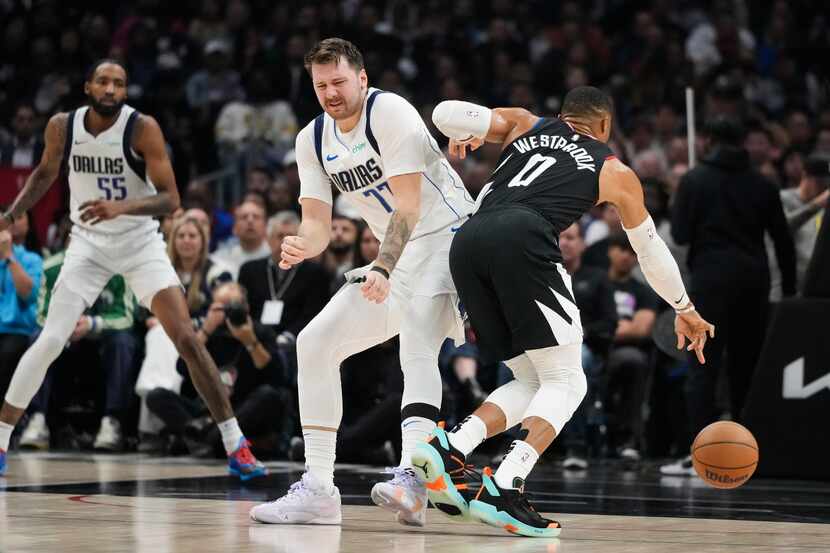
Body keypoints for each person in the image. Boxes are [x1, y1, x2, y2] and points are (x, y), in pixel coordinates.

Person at [414, 86, 714, 537]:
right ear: (606, 126)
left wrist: (464, 132)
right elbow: (649, 251)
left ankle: (453, 448)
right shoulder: (613, 169)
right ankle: (506, 483)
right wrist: (684, 308)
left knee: (532, 380)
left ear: (563, 114)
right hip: (523, 237)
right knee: (569, 381)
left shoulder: (525, 123)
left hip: (469, 242)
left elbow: (443, 111)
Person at [0, 59, 265, 480]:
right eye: (103, 81)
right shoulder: (61, 127)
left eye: (119, 83)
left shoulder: (142, 128)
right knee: (50, 338)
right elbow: (44, 174)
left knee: (187, 340)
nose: (110, 89)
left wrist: (120, 207)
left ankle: (237, 445)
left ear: (125, 92)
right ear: (88, 86)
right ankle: (1, 439)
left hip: (140, 243)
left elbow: (172, 199)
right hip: (87, 245)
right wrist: (11, 213)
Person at [249, 38, 471, 527]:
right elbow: (319, 227)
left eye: (339, 82)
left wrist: (384, 268)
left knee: (416, 338)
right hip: (396, 258)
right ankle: (319, 488)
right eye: (320, 84)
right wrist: (301, 244)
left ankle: (414, 477)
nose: (330, 92)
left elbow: (408, 207)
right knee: (315, 342)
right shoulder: (311, 138)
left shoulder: (389, 112)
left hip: (451, 241)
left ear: (362, 79)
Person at [662, 116, 795, 476]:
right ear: (745, 140)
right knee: (747, 370)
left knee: (702, 367)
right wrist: (792, 293)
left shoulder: (694, 179)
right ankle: (745, 453)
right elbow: (782, 242)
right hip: (754, 282)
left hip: (710, 282)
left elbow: (681, 233)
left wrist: (684, 199)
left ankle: (698, 453)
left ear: (706, 140)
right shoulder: (764, 184)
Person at [19, 244, 137, 451]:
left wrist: (92, 324)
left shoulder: (120, 268)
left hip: (102, 340)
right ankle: (37, 419)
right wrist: (66, 325)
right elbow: (41, 316)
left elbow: (126, 317)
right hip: (66, 340)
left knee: (124, 341)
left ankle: (112, 422)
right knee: (38, 337)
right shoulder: (52, 267)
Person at [238, 211, 329, 350]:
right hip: (255, 339)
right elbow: (245, 310)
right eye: (280, 236)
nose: (285, 242)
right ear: (268, 239)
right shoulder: (249, 270)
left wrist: (288, 337)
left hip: (296, 343)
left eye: (291, 237)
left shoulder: (315, 273)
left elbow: (313, 315)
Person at [0, 209, 43, 400]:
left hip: (18, 330)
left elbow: (28, 294)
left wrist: (8, 256)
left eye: (19, 217)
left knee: (7, 354)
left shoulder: (32, 259)